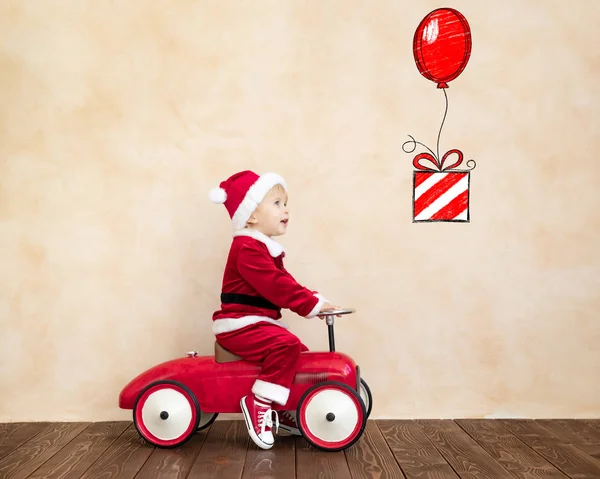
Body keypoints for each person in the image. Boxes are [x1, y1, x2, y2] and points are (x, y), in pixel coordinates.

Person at [208, 170, 339, 450]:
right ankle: (259, 403)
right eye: (277, 203)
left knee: (299, 352)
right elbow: (277, 286)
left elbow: (286, 282)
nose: (286, 209)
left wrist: (315, 301)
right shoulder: (247, 248)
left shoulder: (264, 248)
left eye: (285, 203)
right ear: (251, 215)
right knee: (285, 346)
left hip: (257, 323)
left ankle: (282, 408)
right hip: (239, 324)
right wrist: (311, 305)